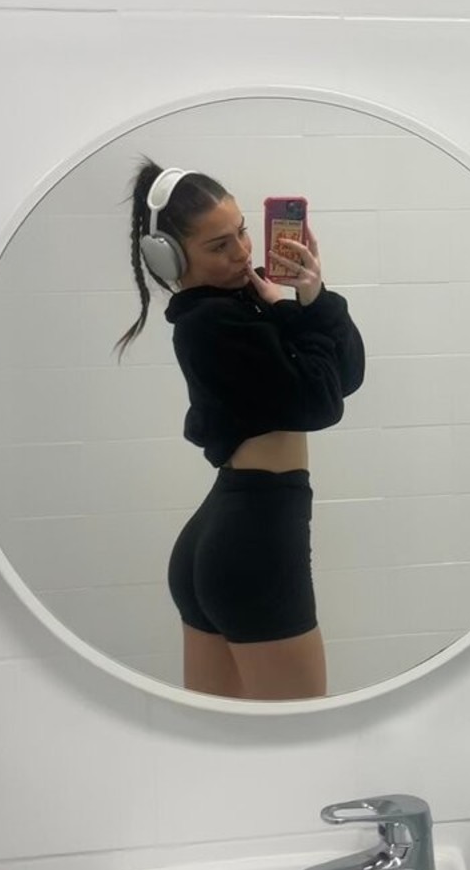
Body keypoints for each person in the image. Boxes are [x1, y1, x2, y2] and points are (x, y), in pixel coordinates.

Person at [115, 160, 364, 701]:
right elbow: (320, 403)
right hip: (258, 541)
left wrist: (312, 296)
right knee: (300, 736)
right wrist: (295, 313)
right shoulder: (212, 324)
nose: (242, 253)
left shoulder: (242, 306)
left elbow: (347, 375)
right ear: (169, 257)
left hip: (234, 532)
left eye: (242, 232)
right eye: (219, 245)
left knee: (222, 740)